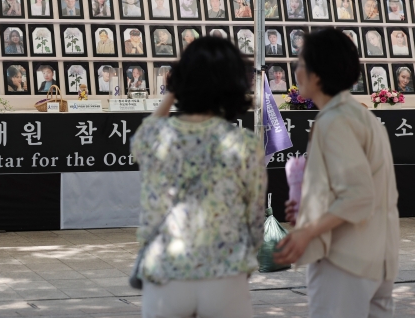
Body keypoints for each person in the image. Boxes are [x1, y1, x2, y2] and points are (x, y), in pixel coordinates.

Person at [131, 36, 264, 318]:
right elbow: (254, 217)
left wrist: (174, 90)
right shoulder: (245, 144)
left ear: (180, 81)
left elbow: (148, 128)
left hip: (167, 273)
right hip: (225, 272)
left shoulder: (154, 137)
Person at [273, 28, 399, 318]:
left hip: (345, 261)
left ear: (317, 75)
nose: (296, 71)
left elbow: (358, 195)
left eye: (300, 64)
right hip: (377, 258)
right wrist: (310, 208)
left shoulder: (334, 120)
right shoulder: (361, 115)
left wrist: (306, 231)